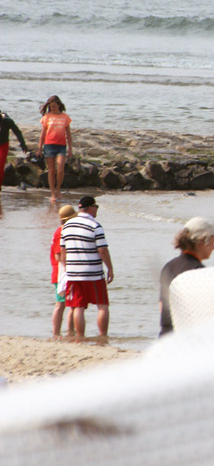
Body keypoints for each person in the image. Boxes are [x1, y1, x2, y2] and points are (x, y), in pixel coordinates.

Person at [61, 195, 114, 338]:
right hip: (93, 272)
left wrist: (67, 268)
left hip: (73, 272)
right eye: (96, 207)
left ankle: (80, 336)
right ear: (90, 208)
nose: (97, 210)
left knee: (78, 306)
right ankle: (103, 336)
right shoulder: (95, 226)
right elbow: (102, 250)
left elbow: (63, 250)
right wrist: (110, 268)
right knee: (102, 305)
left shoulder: (67, 226)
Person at [159, 217, 214, 336]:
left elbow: (162, 307)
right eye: (212, 242)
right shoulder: (198, 271)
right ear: (201, 242)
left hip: (166, 336)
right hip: (185, 337)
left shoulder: (169, 266)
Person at [37, 96, 72, 202]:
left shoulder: (65, 117)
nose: (52, 108)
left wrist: (70, 149)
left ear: (59, 105)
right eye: (51, 106)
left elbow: (68, 134)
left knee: (60, 169)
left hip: (61, 146)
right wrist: (40, 148)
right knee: (51, 170)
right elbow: (43, 134)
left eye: (54, 106)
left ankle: (58, 189)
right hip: (49, 145)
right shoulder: (47, 117)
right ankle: (52, 193)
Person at [50, 205, 77, 338]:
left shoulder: (62, 231)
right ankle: (58, 333)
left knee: (69, 304)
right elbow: (58, 256)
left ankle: (69, 332)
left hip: (61, 272)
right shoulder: (61, 232)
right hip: (61, 273)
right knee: (61, 304)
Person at [0, 106, 30, 193]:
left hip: (3, 144)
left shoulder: (7, 121)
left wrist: (23, 145)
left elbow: (17, 132)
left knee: (1, 164)